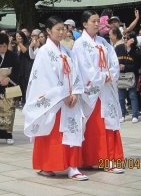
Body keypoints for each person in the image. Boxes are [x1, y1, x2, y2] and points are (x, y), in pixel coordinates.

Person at [23, 16, 87, 181]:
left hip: (69, 100)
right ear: (48, 31)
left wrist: (76, 92)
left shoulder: (66, 51)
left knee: (72, 130)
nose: (61, 32)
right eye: (57, 29)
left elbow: (75, 72)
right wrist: (62, 94)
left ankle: (73, 166)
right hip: (55, 102)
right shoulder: (44, 52)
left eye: (62, 29)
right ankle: (47, 165)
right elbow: (44, 78)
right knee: (52, 133)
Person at [73, 10, 124, 174]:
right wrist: (102, 76)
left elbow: (113, 60)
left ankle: (108, 160)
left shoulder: (103, 41)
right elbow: (83, 69)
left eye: (97, 21)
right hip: (92, 92)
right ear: (84, 24)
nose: (96, 24)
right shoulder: (80, 44)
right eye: (93, 21)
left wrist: (111, 73)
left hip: (106, 90)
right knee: (94, 127)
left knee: (108, 124)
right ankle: (89, 159)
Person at [115, 32, 141, 123]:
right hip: (121, 75)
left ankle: (135, 115)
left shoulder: (136, 50)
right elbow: (114, 61)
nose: (126, 40)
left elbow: (137, 65)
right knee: (121, 96)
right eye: (124, 38)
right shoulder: (118, 48)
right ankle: (122, 114)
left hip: (131, 75)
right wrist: (119, 66)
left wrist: (129, 49)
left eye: (128, 38)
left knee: (132, 95)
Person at [14, 31, 32, 105]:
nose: (19, 37)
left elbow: (26, 52)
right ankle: (17, 100)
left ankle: (25, 101)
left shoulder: (27, 44)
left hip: (25, 68)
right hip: (17, 68)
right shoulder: (15, 46)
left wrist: (19, 44)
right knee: (17, 85)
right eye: (17, 36)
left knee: (25, 86)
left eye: (20, 36)